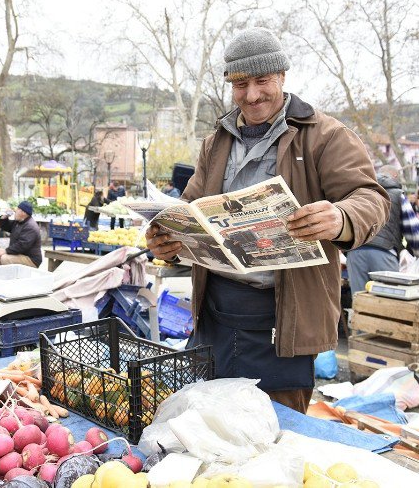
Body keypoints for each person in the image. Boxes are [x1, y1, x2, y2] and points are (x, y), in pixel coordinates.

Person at [146, 27, 389, 413]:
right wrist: (168, 242)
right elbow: (190, 207)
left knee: (277, 434)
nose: (252, 94)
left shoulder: (325, 136)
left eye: (263, 80)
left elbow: (372, 198)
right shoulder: (216, 142)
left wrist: (340, 217)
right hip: (217, 313)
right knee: (210, 424)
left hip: (284, 317)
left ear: (282, 77)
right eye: (240, 84)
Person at [346, 165, 419, 295]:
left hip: (355, 253)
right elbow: (412, 230)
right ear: (395, 176)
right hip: (384, 253)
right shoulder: (398, 195)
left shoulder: (360, 192)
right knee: (387, 301)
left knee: (360, 302)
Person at [0, 201, 42, 268]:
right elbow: (5, 227)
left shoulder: (30, 227)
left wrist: (6, 251)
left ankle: (6, 277)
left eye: (18, 209)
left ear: (23, 213)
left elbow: (22, 246)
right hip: (19, 254)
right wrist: (5, 217)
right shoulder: (19, 222)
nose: (15, 211)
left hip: (31, 259)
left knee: (4, 258)